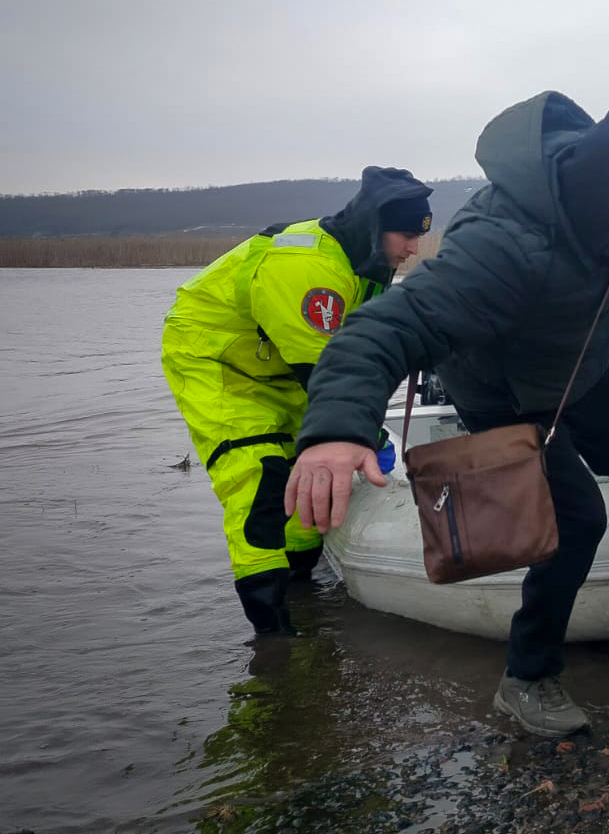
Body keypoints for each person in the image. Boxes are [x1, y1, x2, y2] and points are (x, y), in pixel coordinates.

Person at [282, 92, 609, 738]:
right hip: (503, 389)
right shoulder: (500, 248)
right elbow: (383, 328)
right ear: (599, 208)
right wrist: (333, 430)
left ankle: (567, 449)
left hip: (581, 362)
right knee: (580, 518)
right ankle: (527, 679)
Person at [160, 167, 434, 636]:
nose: (413, 249)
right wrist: (364, 434)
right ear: (374, 226)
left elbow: (357, 353)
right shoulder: (309, 268)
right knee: (261, 476)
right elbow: (327, 376)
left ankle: (302, 590)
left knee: (315, 473)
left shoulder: (366, 264)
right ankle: (273, 640)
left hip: (284, 361)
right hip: (220, 361)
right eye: (407, 235)